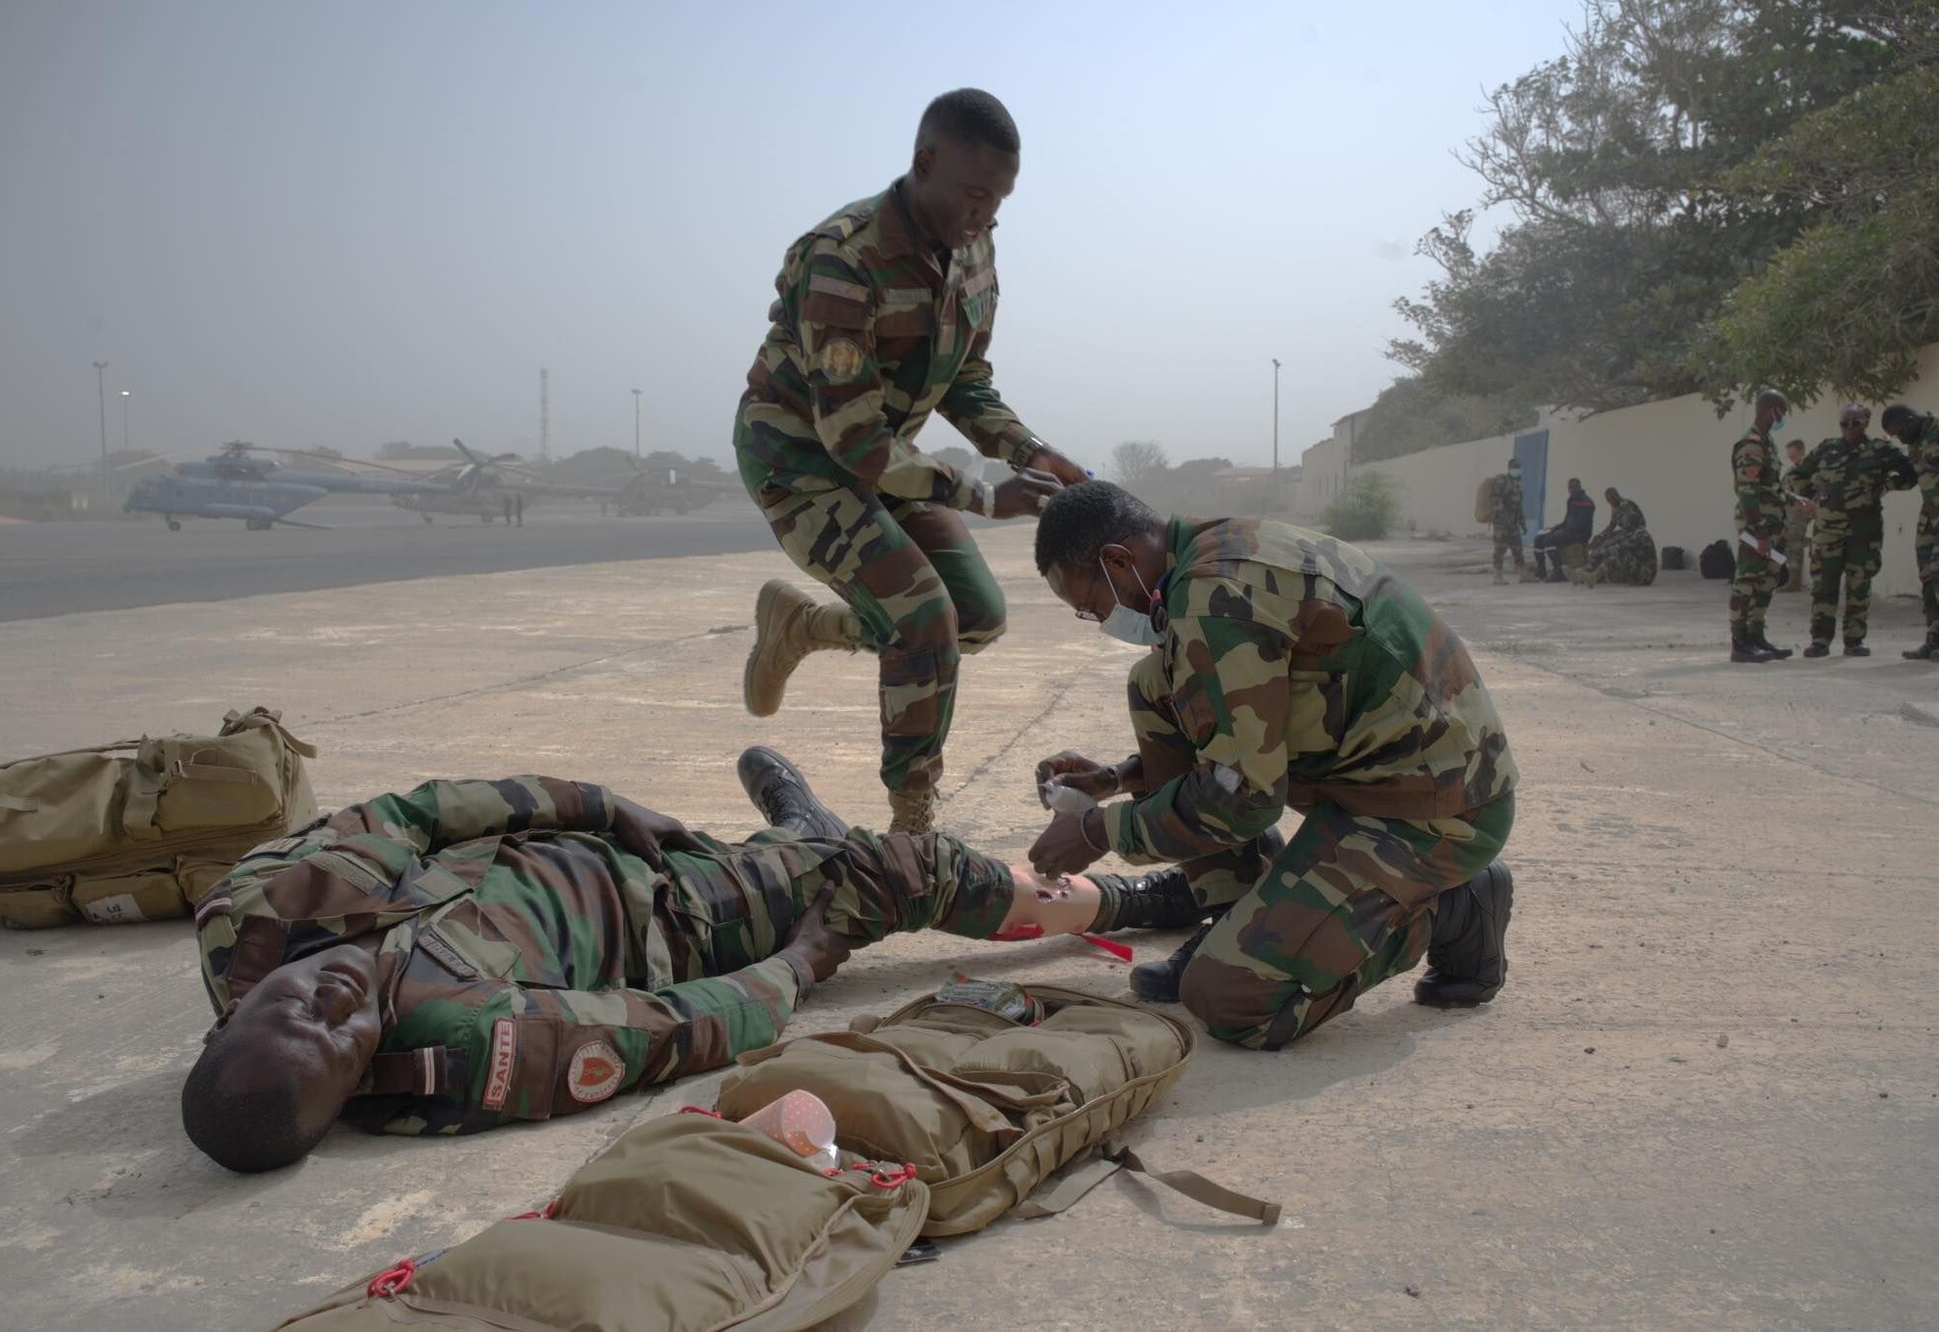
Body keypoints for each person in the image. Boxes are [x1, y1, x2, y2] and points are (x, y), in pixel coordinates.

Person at [182, 758, 1200, 1172]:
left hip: (623, 851)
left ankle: (796, 840)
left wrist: (602, 805)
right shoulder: (453, 1053)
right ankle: (1138, 899)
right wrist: (808, 957)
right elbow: (681, 1026)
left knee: (793, 859)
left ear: (228, 1014)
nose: (344, 1011)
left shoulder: (256, 912)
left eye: (301, 1015)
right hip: (677, 916)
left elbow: (424, 812)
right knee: (899, 870)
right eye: (347, 1047)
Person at [1024, 481, 1518, 1053]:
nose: (1100, 617)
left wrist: (1096, 830)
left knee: (1233, 1001)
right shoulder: (1210, 549)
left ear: (1117, 560)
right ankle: (1233, 914)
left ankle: (1454, 905)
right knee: (1154, 682)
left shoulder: (1215, 596)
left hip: (1435, 812)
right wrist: (1117, 777)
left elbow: (1242, 797)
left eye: (1091, 605)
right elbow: (1242, 725)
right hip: (1373, 776)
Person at [732, 89, 1087, 834]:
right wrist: (986, 495)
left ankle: (803, 628)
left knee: (977, 618)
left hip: (888, 458)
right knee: (923, 619)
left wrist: (1028, 451)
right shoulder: (841, 257)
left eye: (1001, 199)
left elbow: (964, 379)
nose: (986, 214)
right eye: (975, 194)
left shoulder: (975, 248)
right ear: (925, 162)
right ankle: (912, 823)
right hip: (800, 458)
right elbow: (854, 442)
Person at [1784, 404, 1916, 658]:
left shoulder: (1880, 450)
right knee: (1824, 584)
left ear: (1866, 422)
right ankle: (1820, 640)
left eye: (1855, 423)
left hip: (1864, 528)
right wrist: (1812, 496)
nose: (1849, 429)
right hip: (1828, 528)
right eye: (1844, 424)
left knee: (1859, 585)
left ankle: (1854, 641)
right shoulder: (1826, 448)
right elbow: (1797, 476)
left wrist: (1887, 484)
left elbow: (1910, 472)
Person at [1728, 390, 1793, 663]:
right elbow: (1748, 492)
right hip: (1758, 528)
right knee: (1747, 581)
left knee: (1768, 581)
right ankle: (1740, 642)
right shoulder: (1752, 445)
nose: (1783, 418)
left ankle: (1756, 635)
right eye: (1783, 413)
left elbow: (1770, 486)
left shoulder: (1768, 443)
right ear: (1773, 410)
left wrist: (1794, 498)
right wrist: (1760, 532)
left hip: (1774, 525)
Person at [1881, 405, 1939, 661]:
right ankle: (1936, 638)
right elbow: (1913, 477)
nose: (1900, 439)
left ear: (1910, 421)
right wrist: (1886, 484)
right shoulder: (1916, 441)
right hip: (1931, 514)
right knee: (1928, 573)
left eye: (1900, 433)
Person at [1573, 488, 1656, 587]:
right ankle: (1585, 573)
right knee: (1609, 547)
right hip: (1637, 566)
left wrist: (1600, 550)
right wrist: (1601, 537)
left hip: (1645, 574)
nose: (1609, 503)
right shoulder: (1617, 511)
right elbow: (1611, 526)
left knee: (1619, 554)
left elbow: (1620, 547)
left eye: (1610, 499)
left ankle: (1593, 575)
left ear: (1615, 496)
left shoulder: (1640, 533)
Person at [1530, 478, 1595, 582]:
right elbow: (1566, 521)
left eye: (1575, 487)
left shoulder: (1586, 502)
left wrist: (1561, 531)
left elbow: (1580, 525)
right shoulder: (1571, 500)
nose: (1572, 489)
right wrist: (1555, 528)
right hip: (1569, 531)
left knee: (1549, 540)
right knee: (1539, 538)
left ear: (1580, 487)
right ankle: (1541, 570)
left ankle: (1559, 571)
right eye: (1570, 487)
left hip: (1581, 533)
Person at [1486, 459, 1532, 585]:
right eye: (1515, 467)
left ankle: (1523, 575)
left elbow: (1519, 506)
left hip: (1514, 523)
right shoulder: (1501, 481)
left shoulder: (1517, 484)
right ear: (1510, 468)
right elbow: (1495, 500)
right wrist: (1504, 517)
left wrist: (1522, 524)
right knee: (1500, 549)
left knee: (1518, 549)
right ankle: (1497, 576)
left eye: (1519, 467)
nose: (1518, 469)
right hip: (1502, 523)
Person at [1780, 439, 1813, 592]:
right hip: (1790, 514)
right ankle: (1792, 579)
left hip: (1800, 514)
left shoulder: (1807, 469)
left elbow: (1807, 492)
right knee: (1791, 546)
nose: (1789, 456)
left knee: (1795, 546)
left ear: (1800, 451)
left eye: (1791, 453)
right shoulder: (1792, 470)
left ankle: (1794, 581)